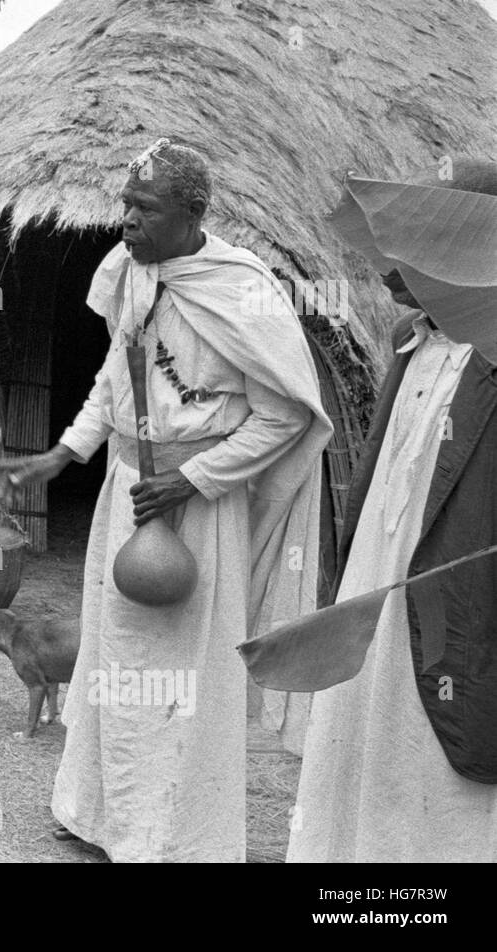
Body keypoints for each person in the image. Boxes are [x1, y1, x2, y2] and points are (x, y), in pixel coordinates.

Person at [0, 140, 330, 862]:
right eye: (125, 205)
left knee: (183, 674)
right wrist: (67, 452)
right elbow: (118, 377)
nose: (126, 222)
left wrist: (195, 479)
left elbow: (287, 416)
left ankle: (171, 839)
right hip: (128, 493)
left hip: (201, 509)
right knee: (113, 653)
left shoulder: (243, 289)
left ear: (194, 214)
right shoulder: (130, 272)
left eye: (145, 210)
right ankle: (96, 815)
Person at [288, 160, 497, 862]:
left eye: (418, 238)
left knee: (443, 802)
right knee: (361, 775)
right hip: (381, 613)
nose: (385, 263)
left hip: (462, 626)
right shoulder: (413, 346)